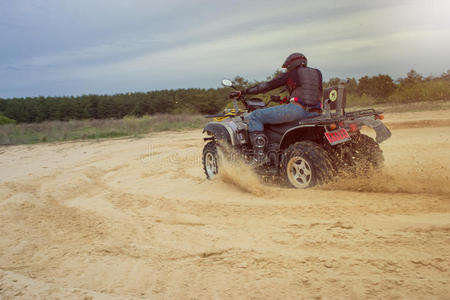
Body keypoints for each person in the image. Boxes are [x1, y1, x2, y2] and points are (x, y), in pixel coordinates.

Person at [233, 53, 323, 165]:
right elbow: (308, 93)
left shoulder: (292, 73)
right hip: (316, 113)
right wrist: (287, 99)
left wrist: (244, 92)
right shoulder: (317, 73)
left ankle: (259, 157)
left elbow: (267, 86)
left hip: (297, 111)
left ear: (291, 64)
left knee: (256, 116)